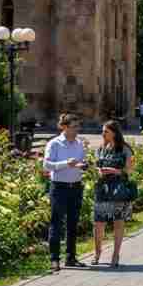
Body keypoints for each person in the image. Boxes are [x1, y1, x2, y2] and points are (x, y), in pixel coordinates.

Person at [43, 113, 88, 271]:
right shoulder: (54, 144)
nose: (78, 129)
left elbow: (82, 161)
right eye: (74, 127)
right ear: (65, 127)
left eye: (78, 126)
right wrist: (65, 164)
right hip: (59, 187)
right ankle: (54, 259)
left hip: (75, 186)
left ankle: (71, 257)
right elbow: (47, 165)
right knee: (56, 223)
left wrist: (84, 165)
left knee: (73, 224)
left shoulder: (79, 144)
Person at [93, 120, 135, 268]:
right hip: (103, 188)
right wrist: (100, 171)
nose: (102, 134)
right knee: (99, 223)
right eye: (103, 131)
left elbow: (130, 170)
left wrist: (115, 171)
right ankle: (97, 253)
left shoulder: (124, 149)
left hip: (119, 188)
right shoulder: (101, 148)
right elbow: (96, 165)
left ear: (114, 133)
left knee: (118, 221)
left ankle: (115, 254)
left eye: (106, 131)